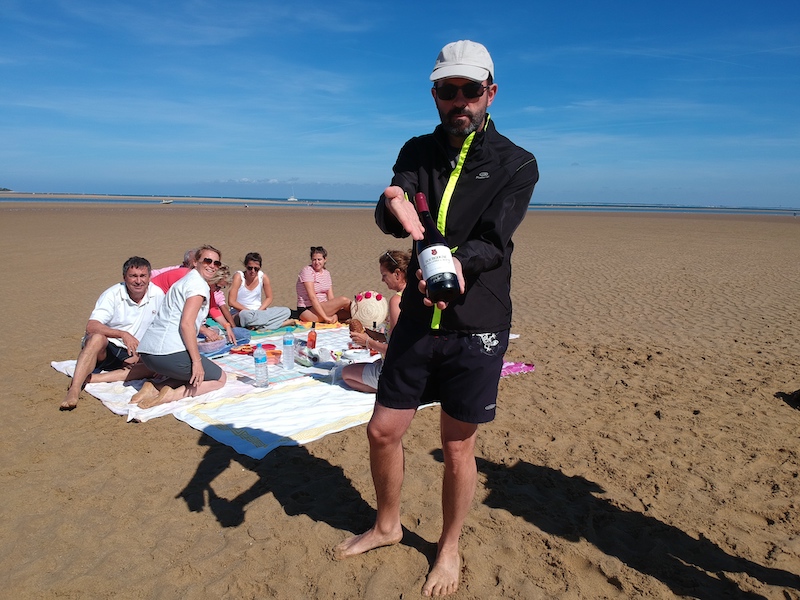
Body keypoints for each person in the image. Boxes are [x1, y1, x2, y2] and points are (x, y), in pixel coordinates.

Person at [333, 40, 539, 597]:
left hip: (477, 320)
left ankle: (448, 546)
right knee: (383, 430)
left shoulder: (517, 163)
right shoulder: (416, 149)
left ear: (490, 92)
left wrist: (453, 266)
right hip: (420, 319)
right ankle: (387, 525)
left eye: (470, 89)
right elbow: (393, 213)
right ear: (435, 94)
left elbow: (495, 240)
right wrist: (391, 201)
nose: (459, 100)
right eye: (448, 90)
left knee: (456, 446)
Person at [60, 256, 165, 411]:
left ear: (149, 277)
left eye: (143, 276)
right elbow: (91, 326)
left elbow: (162, 326)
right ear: (124, 277)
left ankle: (93, 378)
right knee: (96, 338)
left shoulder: (157, 294)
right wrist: (122, 334)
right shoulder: (113, 294)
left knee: (158, 366)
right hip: (107, 347)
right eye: (133, 276)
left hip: (131, 351)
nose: (138, 281)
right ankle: (74, 389)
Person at [132, 245, 228, 409]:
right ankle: (172, 394)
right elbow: (186, 324)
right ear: (195, 262)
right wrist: (196, 361)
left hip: (148, 354)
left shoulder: (184, 281)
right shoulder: (198, 286)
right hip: (167, 354)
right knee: (219, 378)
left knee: (191, 373)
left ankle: (155, 387)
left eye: (216, 263)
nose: (212, 266)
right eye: (207, 261)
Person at [342, 249, 410, 393]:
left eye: (384, 275)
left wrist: (368, 342)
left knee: (346, 374)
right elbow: (401, 337)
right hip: (416, 368)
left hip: (399, 371)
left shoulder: (397, 301)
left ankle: (388, 390)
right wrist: (372, 334)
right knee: (372, 363)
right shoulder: (417, 294)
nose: (382, 280)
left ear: (397, 274)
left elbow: (396, 348)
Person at [152, 263, 238, 344]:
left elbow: (212, 308)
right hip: (155, 298)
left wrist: (227, 326)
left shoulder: (207, 284)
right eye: (217, 287)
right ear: (212, 279)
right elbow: (181, 316)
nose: (217, 291)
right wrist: (204, 330)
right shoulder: (191, 281)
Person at [227, 252, 292, 330]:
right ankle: (277, 324)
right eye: (250, 268)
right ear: (245, 266)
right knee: (246, 316)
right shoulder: (239, 276)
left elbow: (269, 297)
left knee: (286, 311)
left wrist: (259, 311)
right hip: (241, 312)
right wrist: (251, 312)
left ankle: (256, 325)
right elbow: (231, 302)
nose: (253, 271)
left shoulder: (263, 277)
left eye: (256, 269)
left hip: (259, 311)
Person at [295, 246, 351, 323]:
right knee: (344, 300)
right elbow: (312, 297)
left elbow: (331, 297)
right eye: (314, 260)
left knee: (350, 313)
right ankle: (327, 318)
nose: (316, 262)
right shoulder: (307, 271)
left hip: (324, 306)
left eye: (319, 259)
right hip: (308, 310)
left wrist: (334, 312)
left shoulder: (326, 273)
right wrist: (326, 317)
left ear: (325, 259)